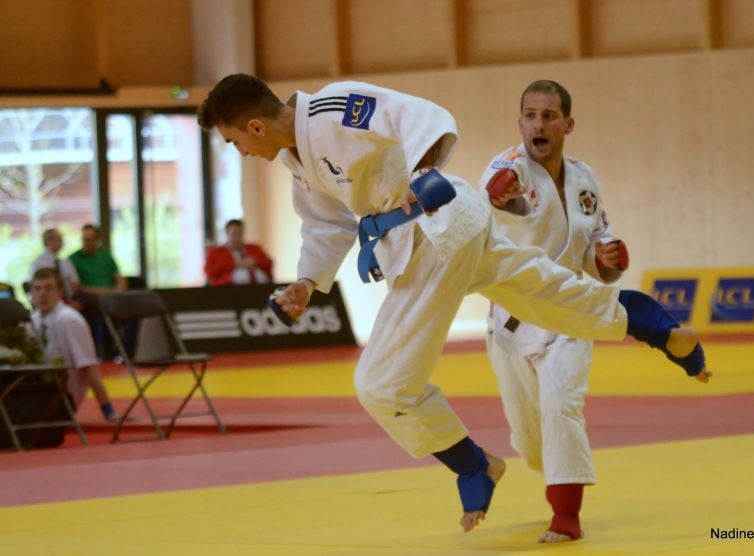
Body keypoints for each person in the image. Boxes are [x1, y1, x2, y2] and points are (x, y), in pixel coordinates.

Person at [196, 74, 709, 533]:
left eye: (232, 139)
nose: (237, 149)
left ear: (256, 126)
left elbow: (418, 116)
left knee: (380, 383)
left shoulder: (331, 108)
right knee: (543, 291)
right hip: (442, 232)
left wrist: (421, 172)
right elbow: (326, 226)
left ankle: (471, 462)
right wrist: (305, 284)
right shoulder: (297, 161)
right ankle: (656, 326)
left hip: (435, 228)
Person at [481, 80, 711, 544]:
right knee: (529, 441)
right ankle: (553, 473)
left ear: (568, 124)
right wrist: (501, 195)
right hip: (511, 319)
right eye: (530, 115)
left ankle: (566, 514)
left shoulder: (584, 179)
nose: (538, 124)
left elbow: (595, 249)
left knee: (561, 405)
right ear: (520, 122)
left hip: (569, 309)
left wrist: (607, 260)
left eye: (549, 116)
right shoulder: (508, 167)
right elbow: (505, 199)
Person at [28, 268, 117, 421]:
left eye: (48, 288)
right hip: (35, 390)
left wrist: (107, 410)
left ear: (60, 292)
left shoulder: (69, 320)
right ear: (31, 292)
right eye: (37, 288)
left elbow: (89, 367)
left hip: (62, 398)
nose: (42, 294)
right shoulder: (32, 320)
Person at [68, 224, 132, 359]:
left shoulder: (106, 257)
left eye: (90, 239)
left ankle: (127, 350)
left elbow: (121, 281)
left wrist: (118, 289)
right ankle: (102, 351)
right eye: (84, 239)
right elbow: (78, 288)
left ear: (97, 240)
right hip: (90, 300)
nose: (86, 243)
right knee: (99, 305)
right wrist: (104, 291)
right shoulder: (73, 259)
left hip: (111, 298)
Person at [204, 218, 274, 285]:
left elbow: (269, 263)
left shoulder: (255, 248)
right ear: (227, 233)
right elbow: (209, 271)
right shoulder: (216, 252)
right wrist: (236, 264)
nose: (237, 237)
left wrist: (255, 262)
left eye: (240, 233)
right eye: (234, 234)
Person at [29, 228, 81, 304]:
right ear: (46, 241)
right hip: (46, 303)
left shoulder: (65, 263)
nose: (61, 242)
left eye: (61, 239)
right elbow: (33, 287)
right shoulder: (37, 263)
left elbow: (75, 284)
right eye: (58, 239)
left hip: (67, 302)